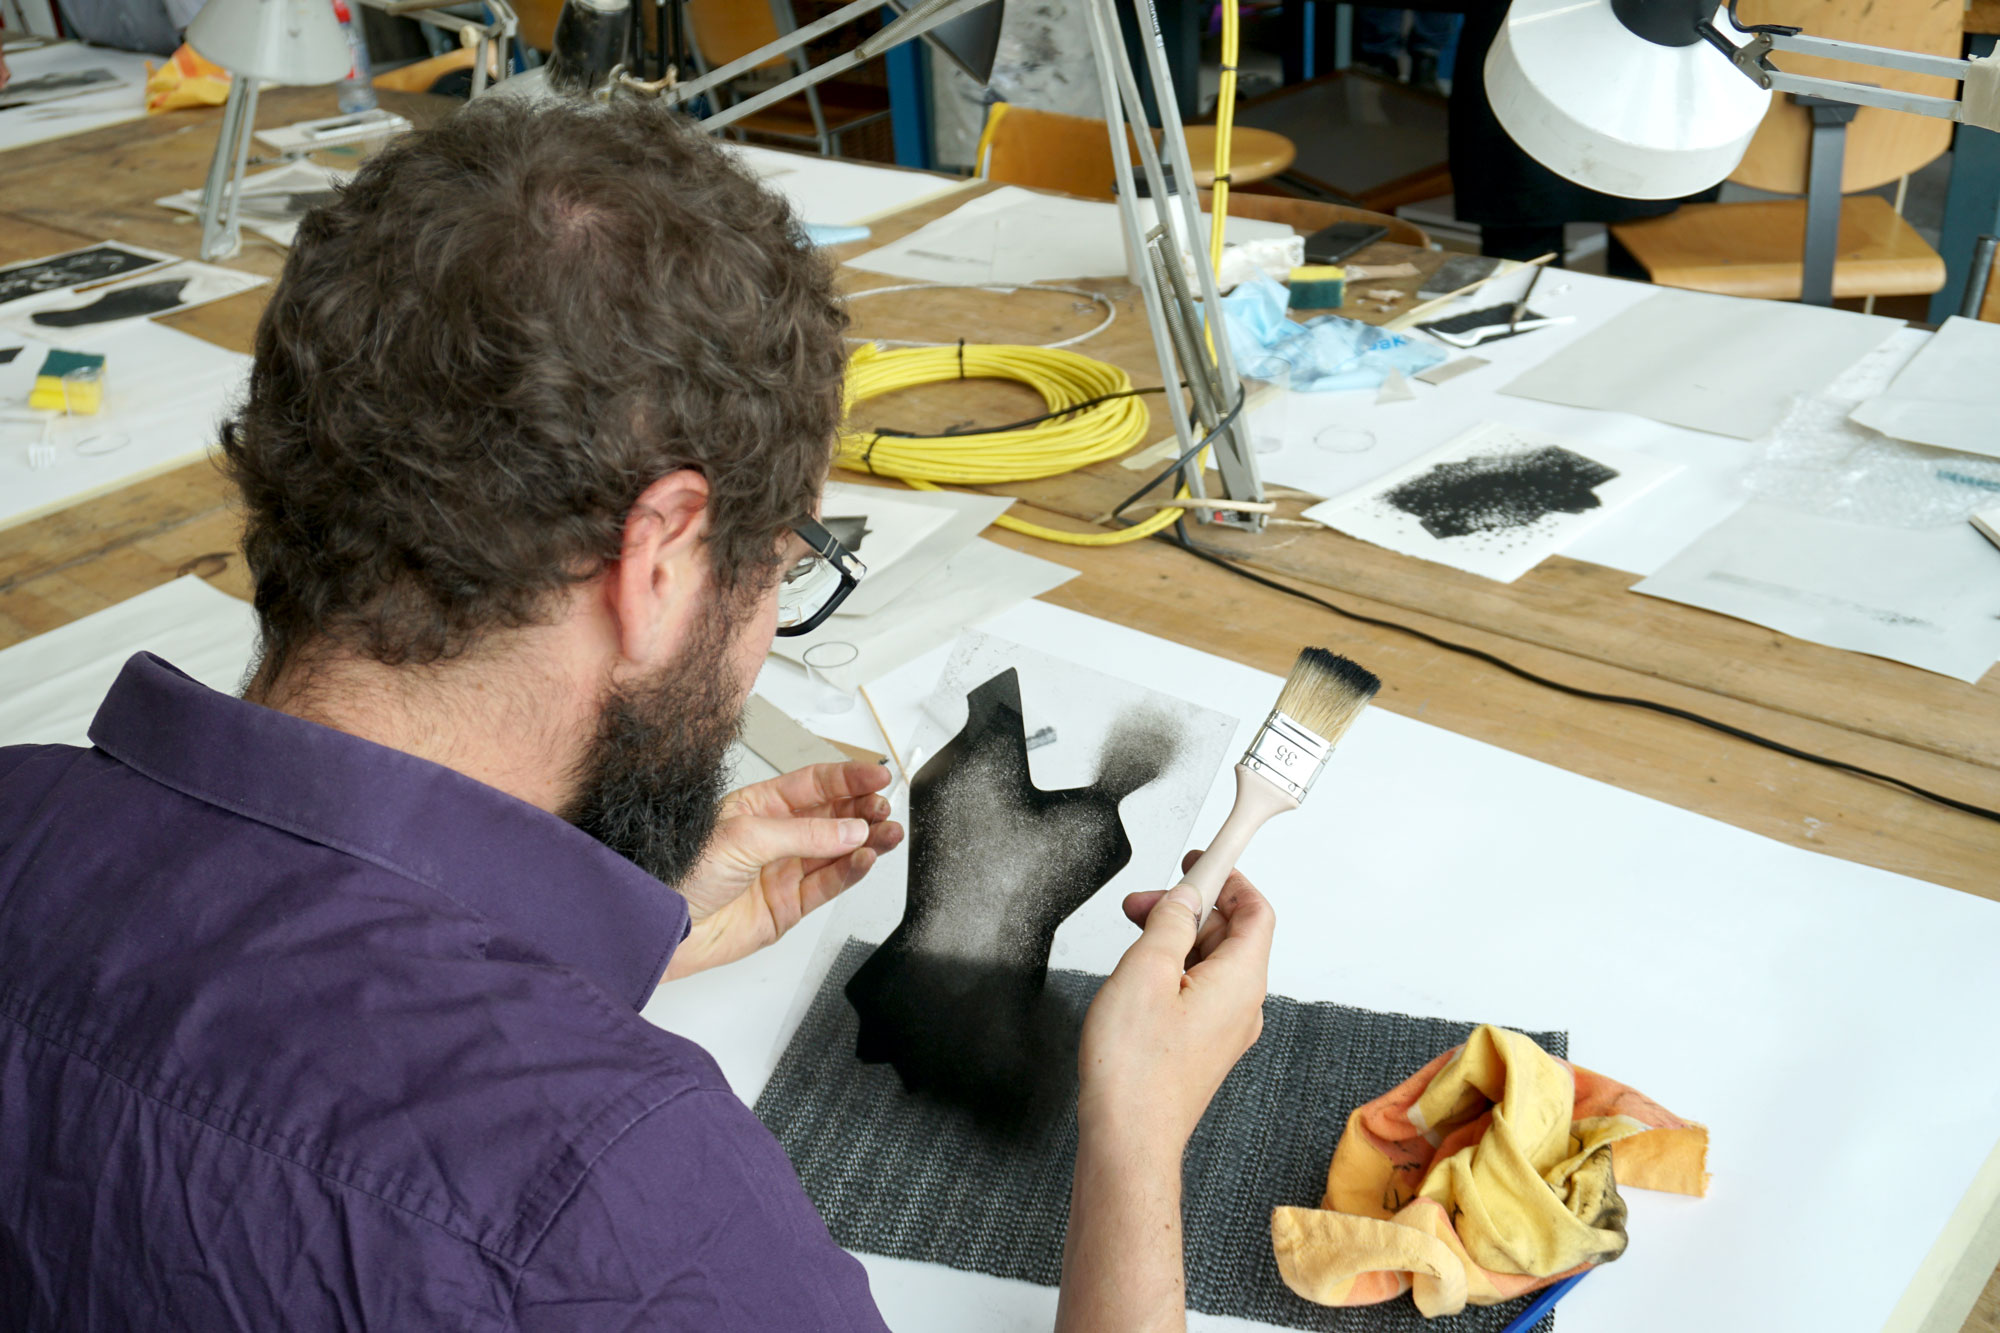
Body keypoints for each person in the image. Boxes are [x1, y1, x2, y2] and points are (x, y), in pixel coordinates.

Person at [0, 96, 1276, 1330]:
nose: (764, 623)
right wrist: (1136, 1134)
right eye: (780, 567)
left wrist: (595, 951)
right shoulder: (635, 1215)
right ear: (657, 562)